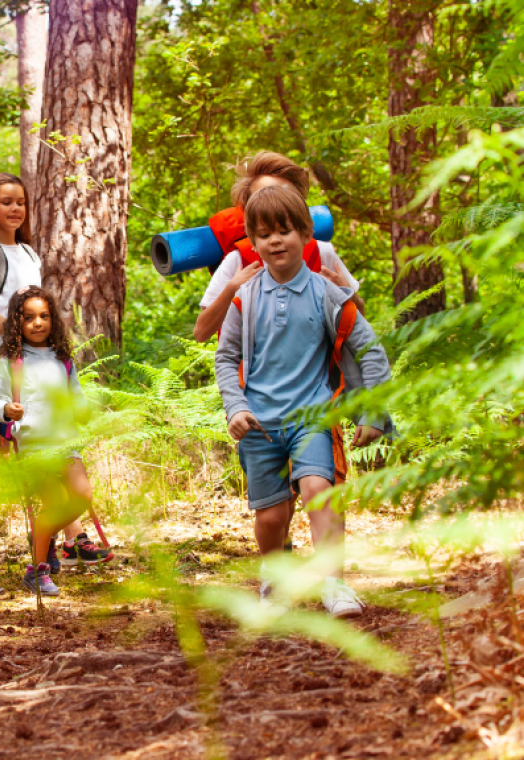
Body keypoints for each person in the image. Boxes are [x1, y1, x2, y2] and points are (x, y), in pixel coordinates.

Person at [214, 186, 391, 618]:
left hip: (313, 416)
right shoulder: (244, 296)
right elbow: (225, 356)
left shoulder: (328, 293)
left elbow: (370, 351)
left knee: (319, 492)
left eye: (285, 231)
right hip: (259, 423)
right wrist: (236, 407)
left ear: (306, 234)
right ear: (252, 244)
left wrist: (372, 412)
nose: (275, 241)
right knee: (272, 517)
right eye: (264, 234)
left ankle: (335, 584)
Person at [0, 174, 101, 572]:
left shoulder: (28, 252)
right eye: (6, 202)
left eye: (21, 202)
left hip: (29, 361)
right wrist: (20, 341)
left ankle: (70, 537)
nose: (15, 209)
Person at [0, 286, 99, 597]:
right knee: (51, 505)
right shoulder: (11, 362)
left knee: (82, 495)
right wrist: (8, 409)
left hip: (66, 443)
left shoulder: (63, 359)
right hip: (34, 446)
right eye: (29, 318)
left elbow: (75, 396)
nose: (38, 323)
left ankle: (44, 538)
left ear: (53, 320)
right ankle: (36, 571)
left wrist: (83, 409)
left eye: (44, 316)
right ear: (17, 323)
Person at [193, 151, 366, 344]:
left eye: (284, 195)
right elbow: (201, 333)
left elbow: (359, 318)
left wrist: (346, 293)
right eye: (262, 198)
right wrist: (232, 288)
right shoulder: (239, 260)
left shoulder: (321, 252)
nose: (273, 204)